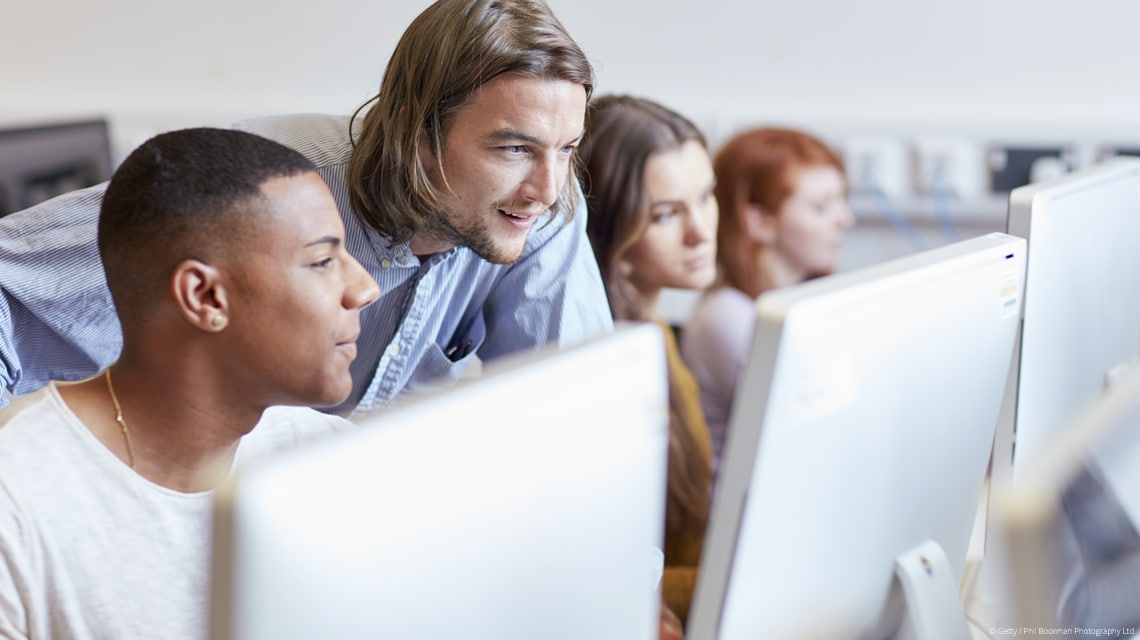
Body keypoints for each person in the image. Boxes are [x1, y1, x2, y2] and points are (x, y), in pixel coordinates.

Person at [0, 0, 611, 416]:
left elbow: (580, 421)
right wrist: (36, 478)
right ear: (416, 133)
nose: (549, 187)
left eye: (567, 149)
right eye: (513, 148)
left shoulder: (537, 211)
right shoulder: (263, 186)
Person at [0, 128, 380, 638]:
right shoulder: (18, 506)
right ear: (205, 297)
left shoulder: (333, 465)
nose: (365, 288)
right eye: (322, 262)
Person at [579, 94, 718, 628]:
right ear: (608, 229)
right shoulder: (606, 367)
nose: (701, 230)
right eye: (665, 214)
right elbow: (618, 581)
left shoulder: (656, 333)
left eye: (706, 197)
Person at [681, 127, 855, 469]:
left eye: (841, 201)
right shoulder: (728, 317)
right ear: (759, 221)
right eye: (821, 208)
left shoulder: (795, 304)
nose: (845, 220)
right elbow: (825, 435)